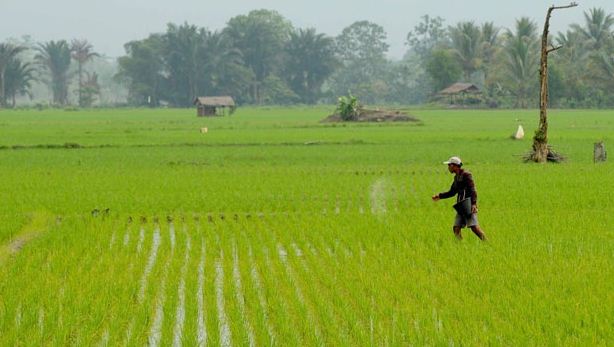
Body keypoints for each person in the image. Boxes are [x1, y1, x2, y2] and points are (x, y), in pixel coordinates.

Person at [431, 156, 486, 241]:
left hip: (468, 204)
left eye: (449, 165)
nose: (448, 167)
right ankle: (460, 247)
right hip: (461, 205)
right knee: (456, 228)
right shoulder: (456, 177)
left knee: (474, 227)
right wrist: (439, 196)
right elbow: (452, 192)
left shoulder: (466, 175)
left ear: (454, 165)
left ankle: (487, 243)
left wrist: (474, 204)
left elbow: (473, 189)